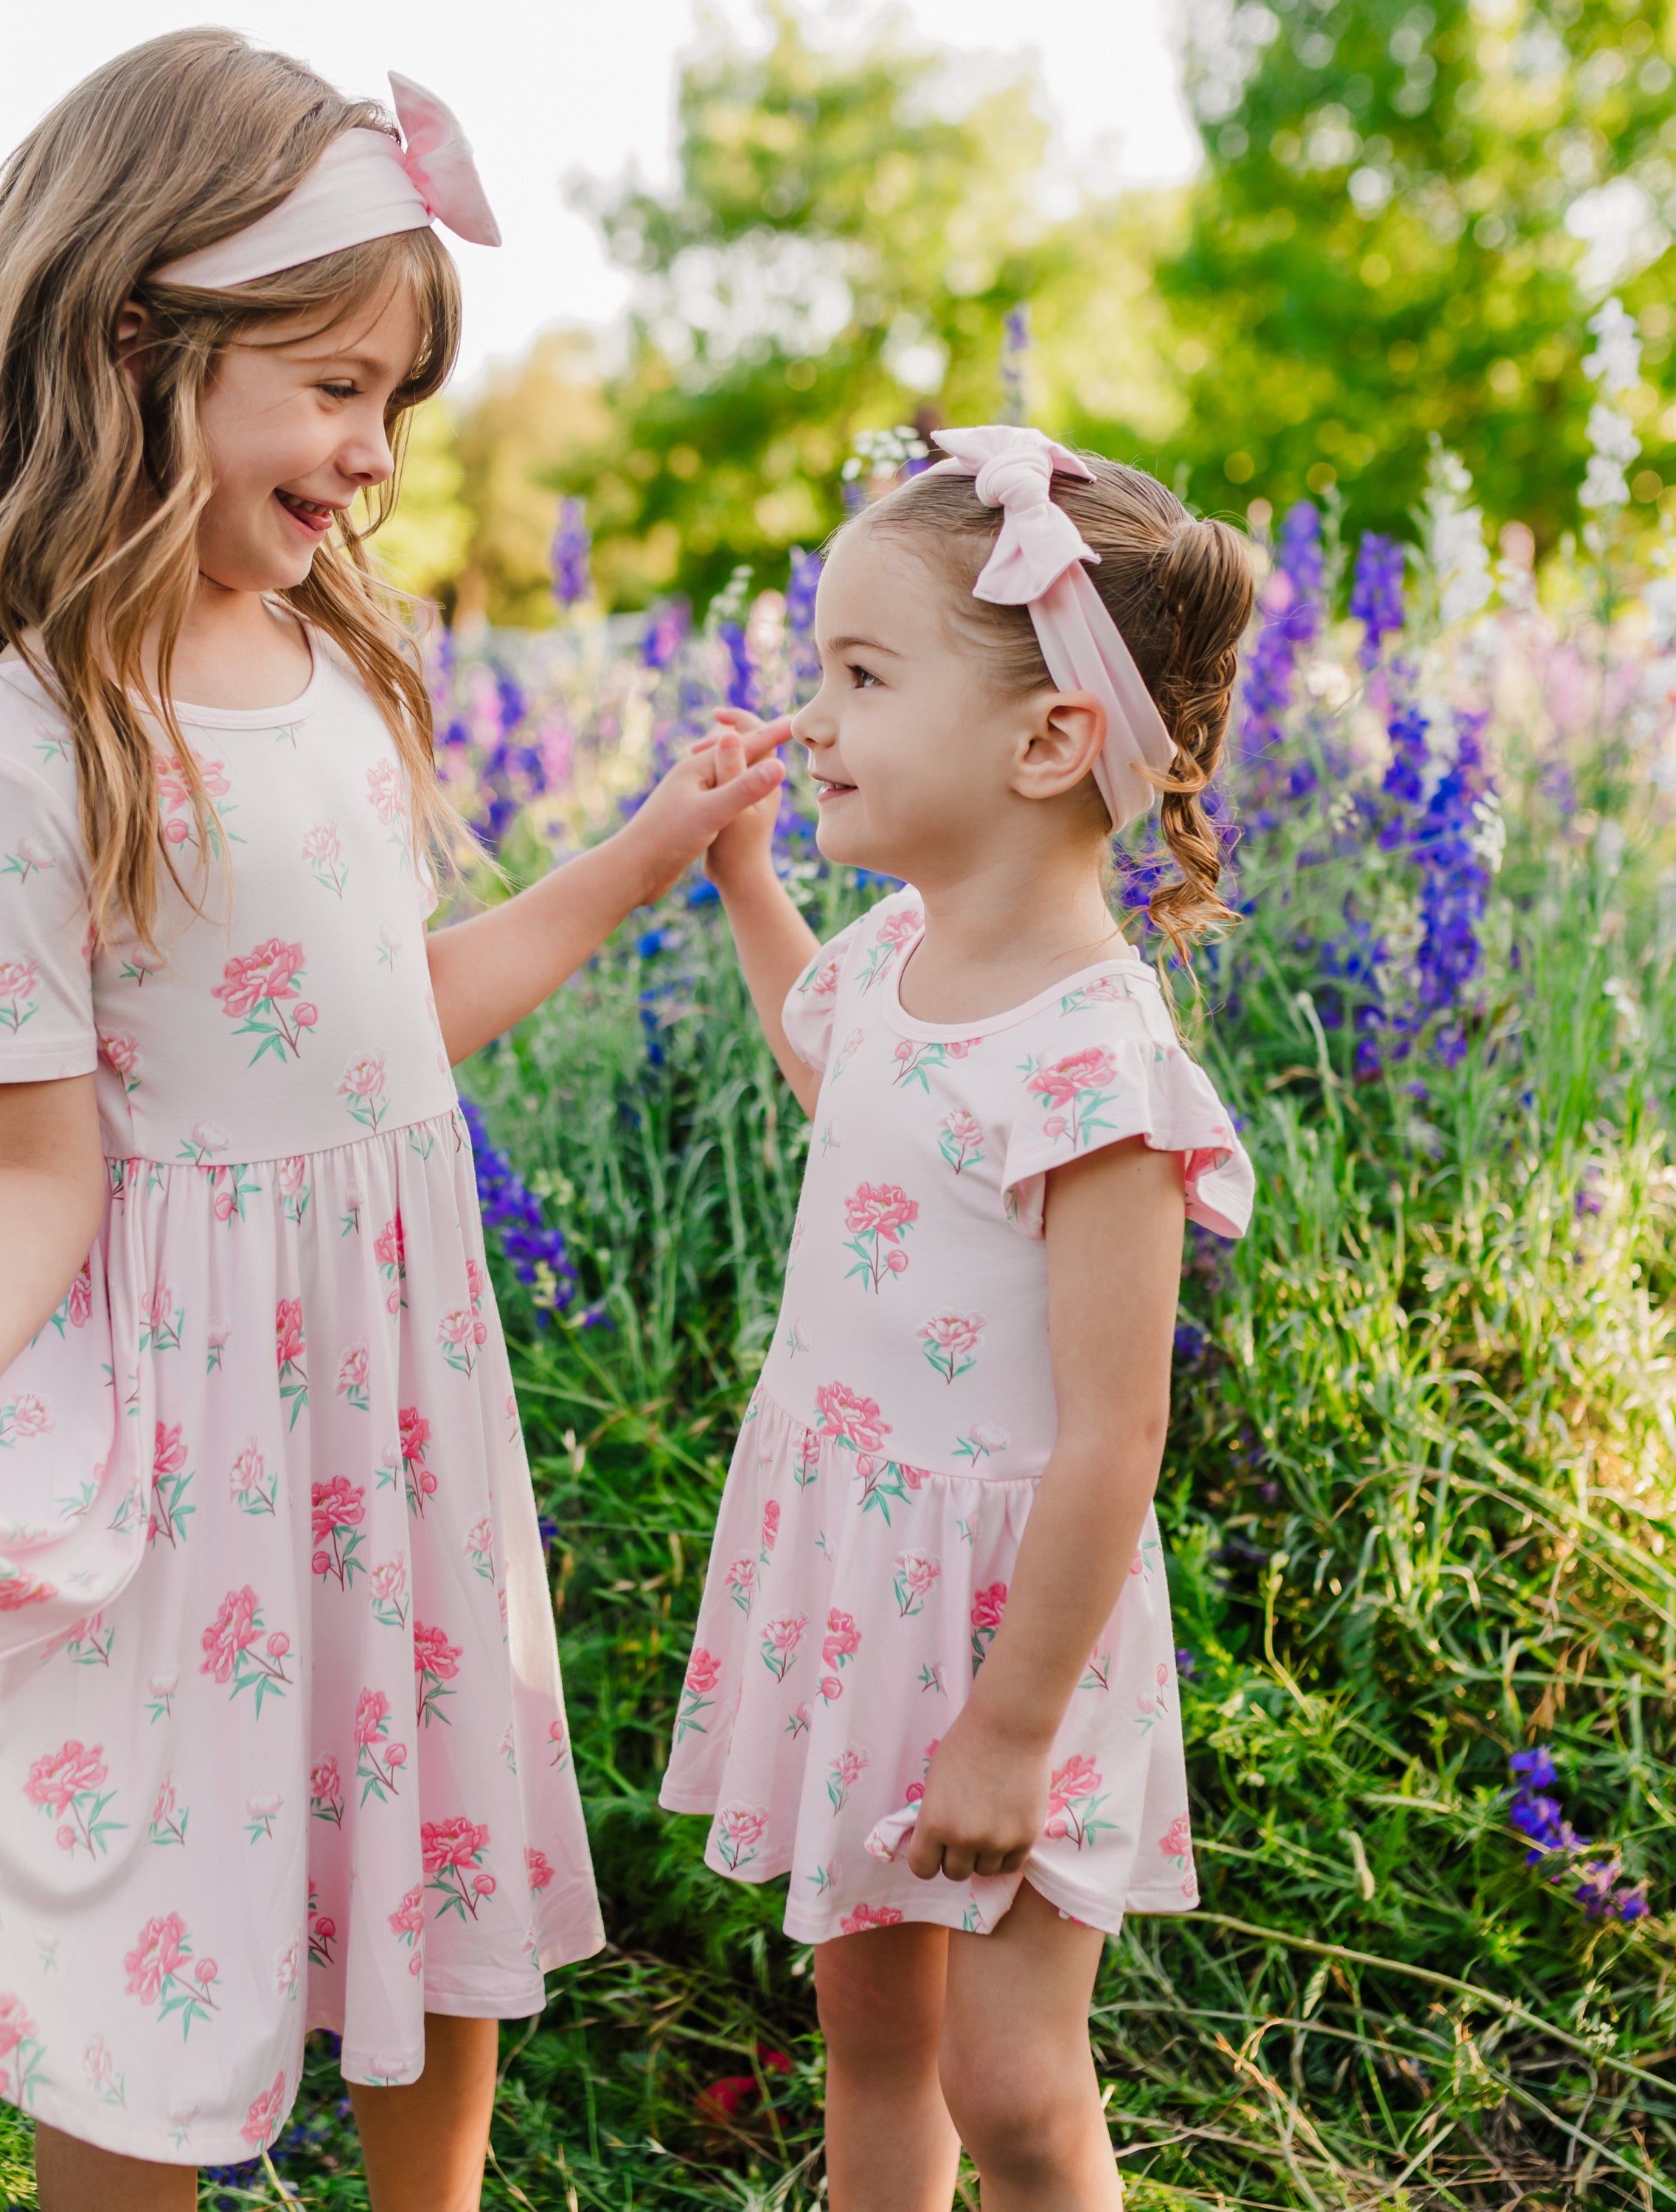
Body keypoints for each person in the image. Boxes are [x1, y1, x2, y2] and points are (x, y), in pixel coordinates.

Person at [0, 32, 783, 2210]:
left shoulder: (338, 669)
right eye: (336, 385)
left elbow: (391, 1024)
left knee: (433, 1845)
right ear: (133, 342)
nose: (374, 452)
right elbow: (31, 1159)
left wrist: (637, 861)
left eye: (398, 400)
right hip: (196, 1414)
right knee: (158, 1894)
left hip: (399, 1381)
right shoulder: (34, 747)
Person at [664, 426, 1259, 2211]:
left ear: (1048, 740)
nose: (812, 717)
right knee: (876, 2043)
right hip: (861, 1580)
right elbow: (824, 1059)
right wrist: (750, 886)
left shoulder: (1099, 1070)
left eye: (859, 674)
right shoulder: (895, 958)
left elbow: (1115, 1436)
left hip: (1016, 1625)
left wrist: (1010, 1732)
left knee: (1009, 2082)